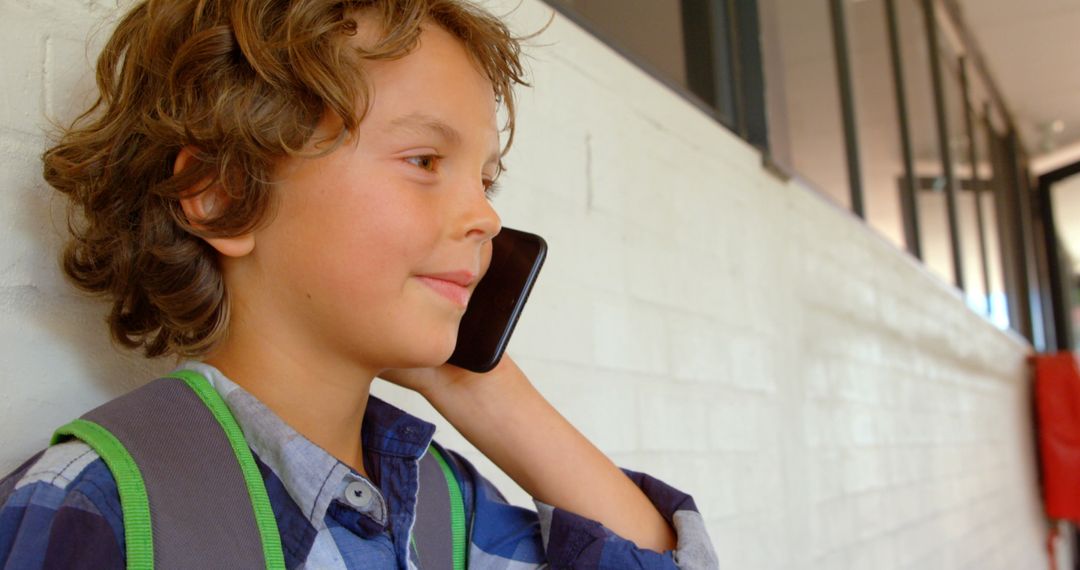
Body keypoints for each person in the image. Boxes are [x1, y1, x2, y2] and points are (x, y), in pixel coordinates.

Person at [0, 0, 718, 568]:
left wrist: (475, 381)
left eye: (486, 180)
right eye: (424, 160)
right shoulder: (90, 505)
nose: (486, 216)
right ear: (220, 194)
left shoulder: (447, 506)